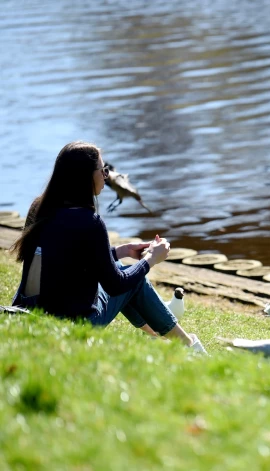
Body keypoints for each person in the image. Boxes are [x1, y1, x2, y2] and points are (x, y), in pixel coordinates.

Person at [10, 141, 207, 353]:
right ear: (85, 176)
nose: (106, 176)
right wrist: (150, 260)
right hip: (73, 324)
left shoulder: (39, 208)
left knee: (122, 266)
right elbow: (115, 285)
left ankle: (160, 336)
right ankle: (188, 346)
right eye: (103, 170)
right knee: (134, 279)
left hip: (31, 312)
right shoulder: (90, 222)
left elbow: (67, 258)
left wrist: (119, 251)